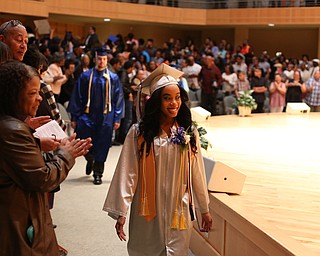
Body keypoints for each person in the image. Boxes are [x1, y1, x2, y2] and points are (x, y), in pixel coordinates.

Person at [103, 63, 212, 255]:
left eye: (178, 98)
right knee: (147, 250)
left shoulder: (188, 131)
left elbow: (197, 172)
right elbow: (128, 172)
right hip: (147, 208)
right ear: (156, 102)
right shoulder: (139, 133)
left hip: (179, 207)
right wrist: (121, 211)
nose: (174, 103)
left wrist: (204, 208)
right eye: (167, 98)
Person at [0, 60, 92, 255]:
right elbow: (42, 178)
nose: (39, 98)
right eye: (32, 93)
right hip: (18, 222)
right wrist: (67, 153)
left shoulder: (14, 125)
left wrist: (34, 139)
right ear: (13, 96)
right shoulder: (12, 130)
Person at [67, 48, 124, 185]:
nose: (101, 61)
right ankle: (90, 159)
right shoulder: (85, 76)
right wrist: (75, 117)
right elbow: (77, 96)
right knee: (84, 141)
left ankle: (98, 173)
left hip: (106, 117)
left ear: (107, 60)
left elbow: (118, 98)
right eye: (99, 59)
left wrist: (117, 118)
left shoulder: (113, 78)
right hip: (87, 116)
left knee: (102, 144)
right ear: (95, 59)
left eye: (104, 59)